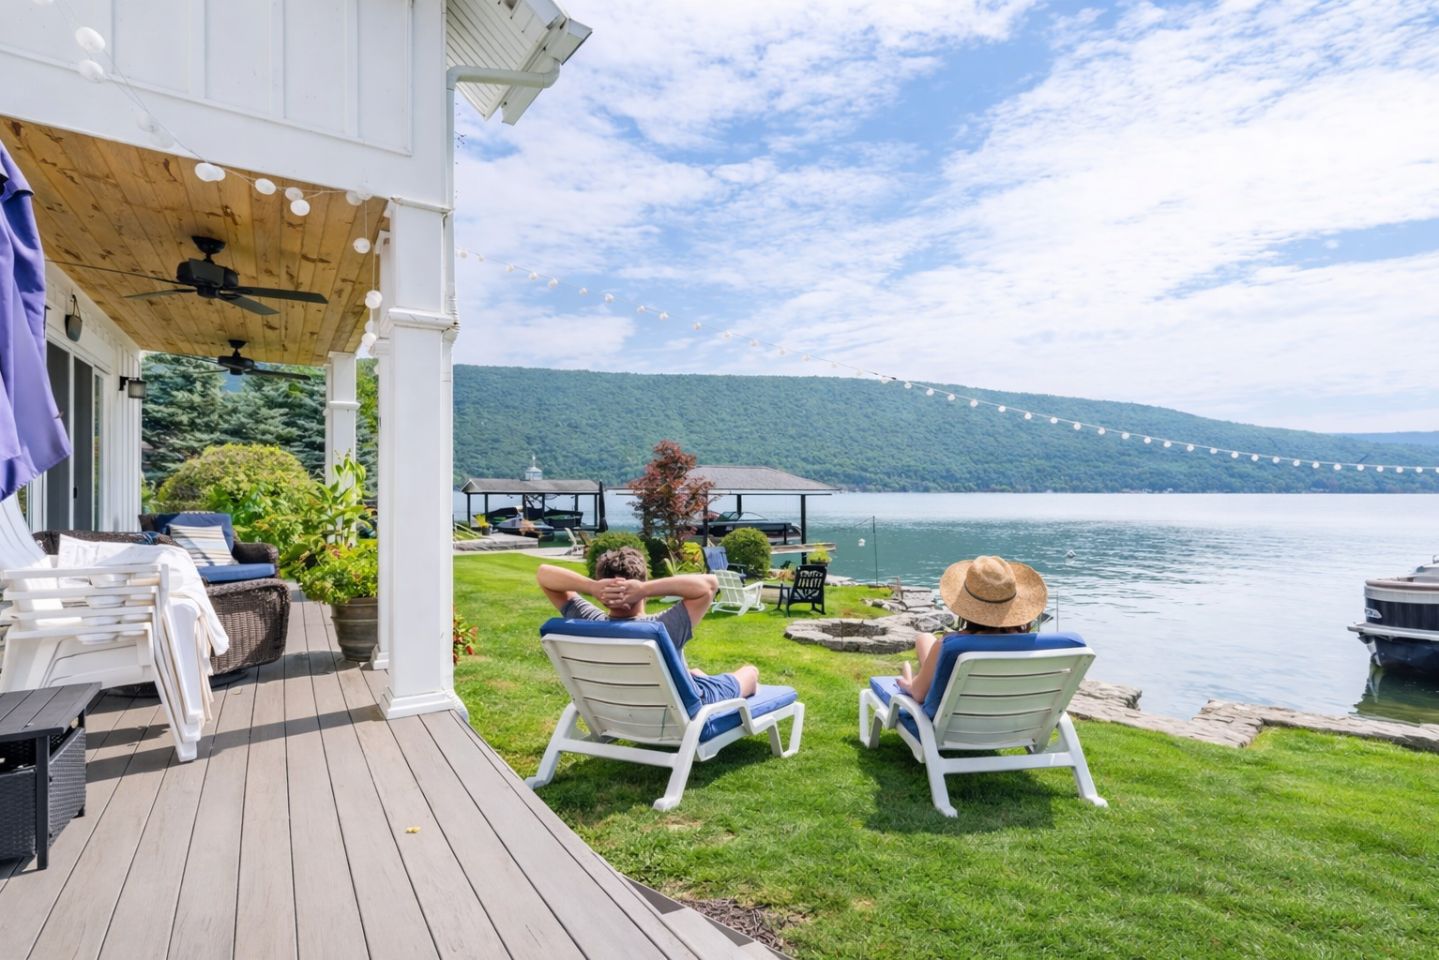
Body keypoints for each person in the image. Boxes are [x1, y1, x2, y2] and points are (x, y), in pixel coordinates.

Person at [536, 546, 760, 702]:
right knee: (750, 672)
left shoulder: (588, 621)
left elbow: (544, 574)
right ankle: (709, 680)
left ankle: (697, 677)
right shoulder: (660, 628)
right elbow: (709, 584)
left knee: (694, 672)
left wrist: (593, 587)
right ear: (641, 585)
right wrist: (644, 589)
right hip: (682, 708)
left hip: (616, 707)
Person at [898, 554, 1048, 702]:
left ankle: (921, 676)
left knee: (925, 641)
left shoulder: (950, 645)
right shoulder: (1036, 646)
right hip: (1015, 717)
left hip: (953, 720)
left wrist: (908, 683)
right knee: (924, 639)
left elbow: (919, 695)